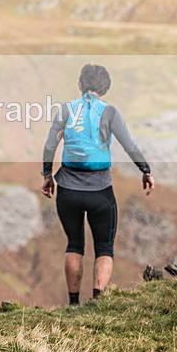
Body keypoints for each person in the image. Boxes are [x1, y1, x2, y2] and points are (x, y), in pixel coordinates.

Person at [41, 63, 155, 305]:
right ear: (105, 87)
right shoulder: (111, 112)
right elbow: (129, 145)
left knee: (74, 244)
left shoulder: (66, 109)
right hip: (100, 191)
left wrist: (47, 175)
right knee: (104, 248)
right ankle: (97, 302)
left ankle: (73, 303)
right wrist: (145, 170)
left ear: (80, 85)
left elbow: (50, 145)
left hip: (68, 189)